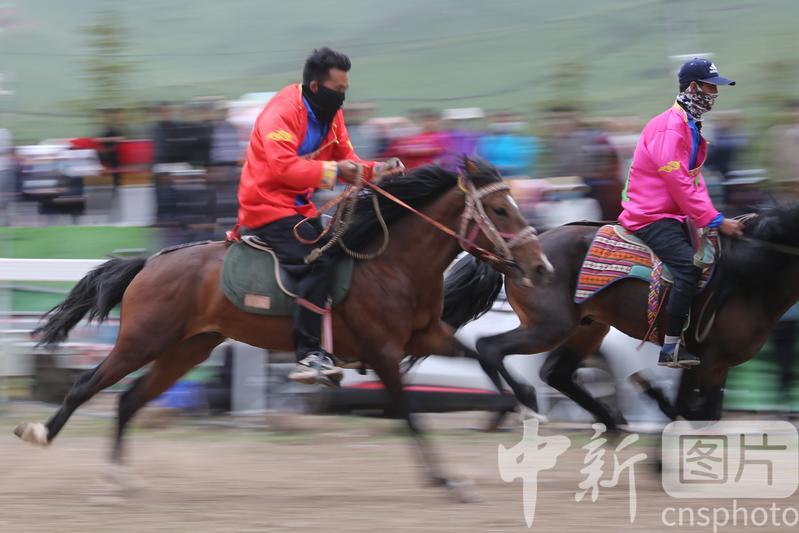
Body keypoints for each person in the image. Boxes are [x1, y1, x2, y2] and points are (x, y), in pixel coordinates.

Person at [236, 47, 404, 386]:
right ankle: (308, 354)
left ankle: (343, 343)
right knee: (319, 262)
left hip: (300, 209)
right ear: (316, 87)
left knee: (347, 252)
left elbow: (349, 161)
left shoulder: (331, 115)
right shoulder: (280, 113)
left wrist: (379, 170)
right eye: (339, 90)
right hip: (265, 206)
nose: (343, 97)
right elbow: (283, 167)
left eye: (345, 89)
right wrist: (336, 170)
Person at [619, 58, 744, 368]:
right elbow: (677, 182)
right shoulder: (669, 127)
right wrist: (713, 220)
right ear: (692, 87)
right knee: (688, 269)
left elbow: (694, 180)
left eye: (716, 88)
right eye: (710, 87)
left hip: (674, 214)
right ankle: (671, 347)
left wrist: (712, 218)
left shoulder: (689, 126)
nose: (714, 93)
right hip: (651, 215)